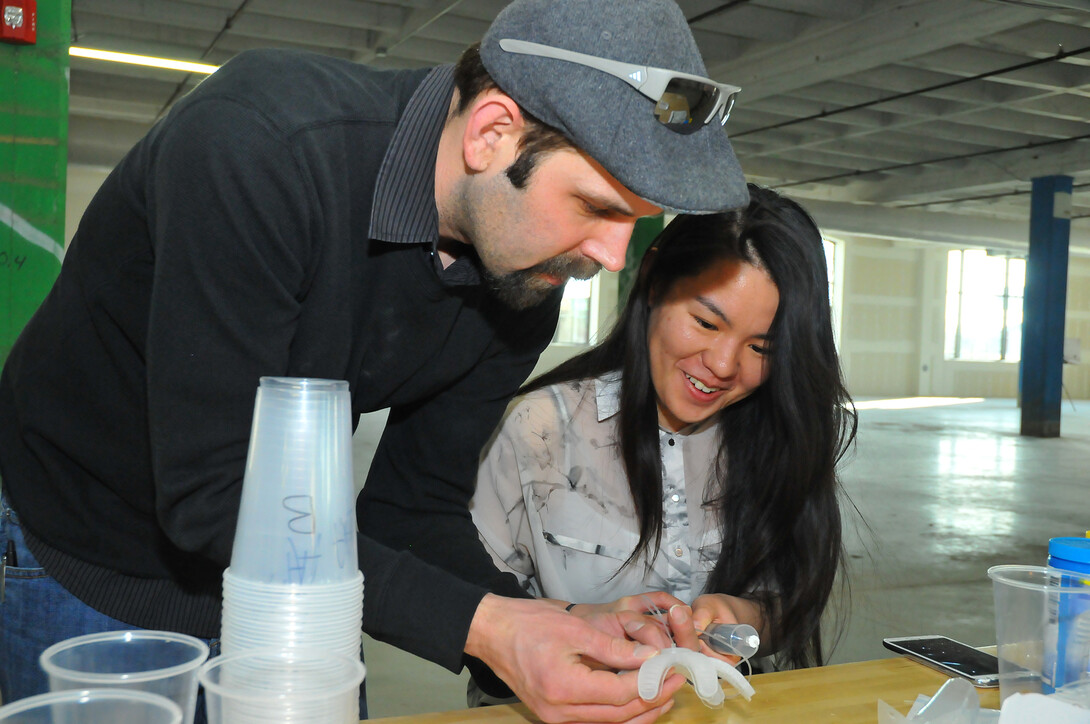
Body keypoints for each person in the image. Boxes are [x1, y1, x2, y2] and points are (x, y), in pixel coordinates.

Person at [0, 0, 750, 721]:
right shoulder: (263, 146)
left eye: (636, 224)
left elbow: (408, 509)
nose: (612, 257)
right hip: (86, 558)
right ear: (491, 133)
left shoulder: (523, 272)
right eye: (596, 207)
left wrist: (550, 621)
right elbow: (211, 494)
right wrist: (486, 627)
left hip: (295, 582)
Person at [470, 185, 858, 686]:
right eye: (705, 322)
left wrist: (749, 619)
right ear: (652, 279)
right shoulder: (542, 428)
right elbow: (476, 609)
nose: (722, 366)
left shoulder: (777, 434)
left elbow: (793, 598)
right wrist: (575, 624)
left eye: (762, 348)